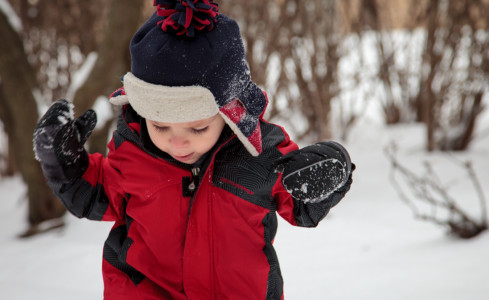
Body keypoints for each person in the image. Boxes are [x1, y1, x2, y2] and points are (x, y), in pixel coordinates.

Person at [32, 1, 355, 299]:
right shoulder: (133, 150)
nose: (177, 142)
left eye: (197, 128)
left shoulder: (262, 155)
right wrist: (66, 165)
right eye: (160, 126)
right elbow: (98, 195)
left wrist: (328, 171)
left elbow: (298, 204)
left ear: (230, 114)